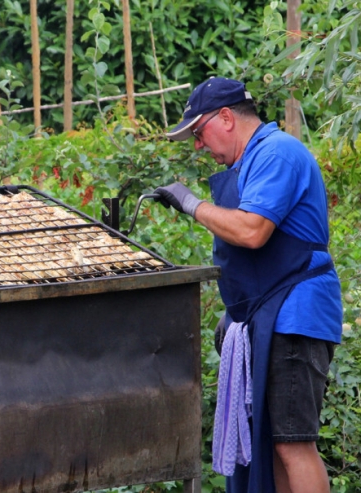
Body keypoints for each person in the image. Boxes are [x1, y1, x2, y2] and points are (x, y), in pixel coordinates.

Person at [155, 77, 343, 493]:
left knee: (294, 444)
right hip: (266, 314)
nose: (198, 146)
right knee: (274, 444)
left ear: (226, 118)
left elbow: (253, 231)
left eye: (198, 132)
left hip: (296, 314)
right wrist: (236, 312)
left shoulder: (277, 153)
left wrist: (193, 204)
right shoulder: (251, 159)